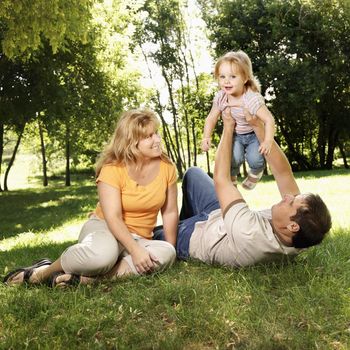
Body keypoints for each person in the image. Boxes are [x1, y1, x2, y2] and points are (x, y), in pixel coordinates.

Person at [4, 109, 178, 287]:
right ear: (131, 142)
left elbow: (170, 212)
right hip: (105, 227)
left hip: (138, 237)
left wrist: (171, 248)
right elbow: (113, 218)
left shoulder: (167, 167)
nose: (157, 139)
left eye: (156, 133)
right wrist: (135, 251)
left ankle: (89, 280)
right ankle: (42, 273)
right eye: (149, 136)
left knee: (165, 252)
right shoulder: (112, 168)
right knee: (102, 257)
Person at [155, 108, 331, 267]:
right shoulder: (301, 235)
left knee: (153, 235)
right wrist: (258, 127)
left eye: (291, 202)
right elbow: (283, 173)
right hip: (220, 216)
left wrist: (228, 127)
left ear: (293, 226)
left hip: (197, 238)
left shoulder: (250, 235)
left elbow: (221, 178)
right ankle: (182, 222)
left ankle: (181, 228)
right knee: (193, 174)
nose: (287, 197)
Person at [201, 50, 275, 190]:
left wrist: (268, 141)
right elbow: (211, 117)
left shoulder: (251, 98)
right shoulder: (221, 97)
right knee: (233, 159)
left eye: (233, 76)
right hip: (236, 135)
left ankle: (257, 171)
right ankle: (232, 180)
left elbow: (269, 120)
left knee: (256, 160)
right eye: (222, 76)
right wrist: (206, 137)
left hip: (253, 135)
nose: (226, 81)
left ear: (245, 78)